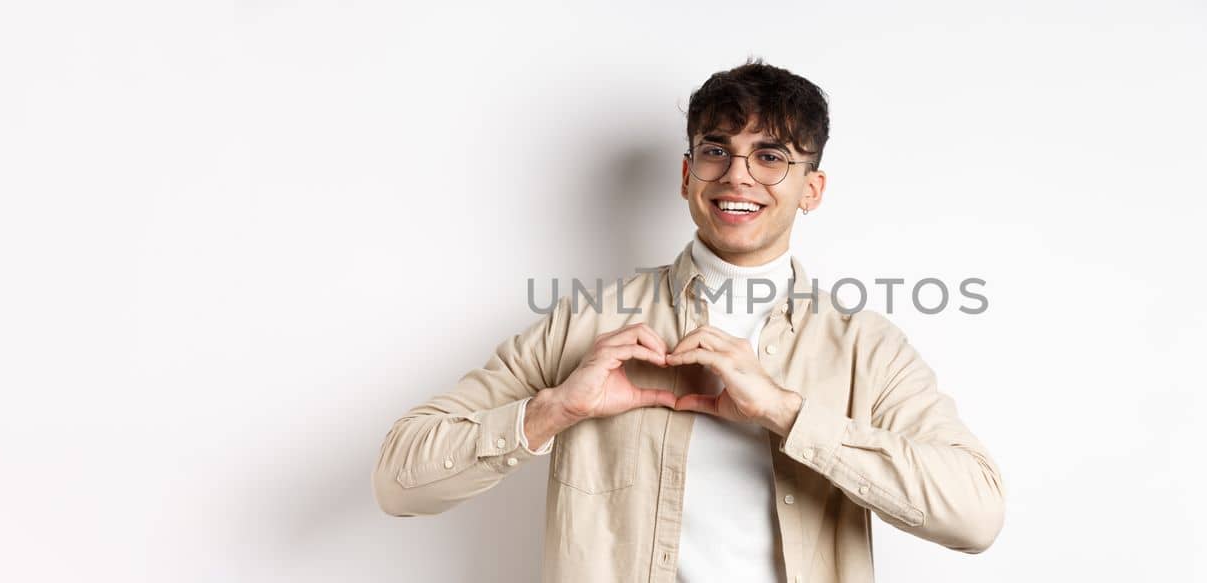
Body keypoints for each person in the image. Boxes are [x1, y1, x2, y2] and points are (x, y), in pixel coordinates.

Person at [372, 58, 1005, 583]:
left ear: (812, 189)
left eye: (771, 157)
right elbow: (399, 481)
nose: (737, 175)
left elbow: (975, 516)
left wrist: (786, 413)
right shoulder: (585, 325)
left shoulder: (866, 349)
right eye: (715, 151)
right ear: (686, 175)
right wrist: (555, 409)